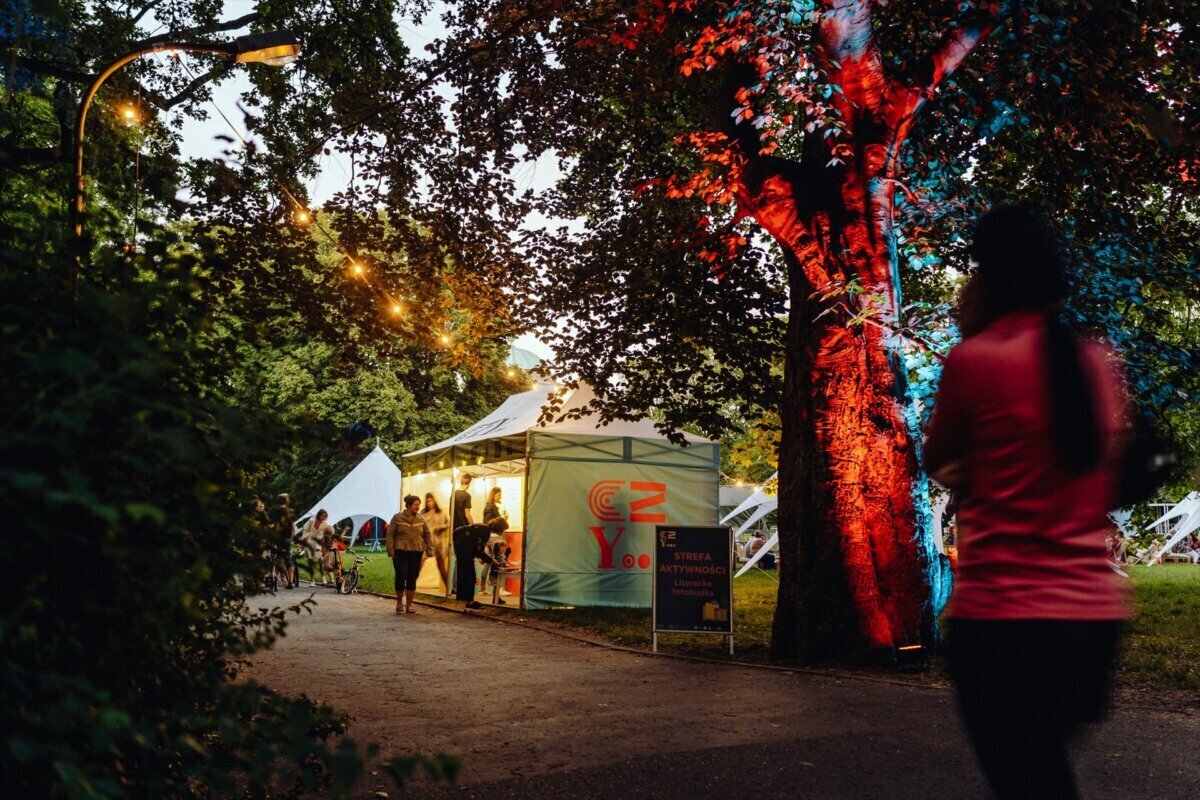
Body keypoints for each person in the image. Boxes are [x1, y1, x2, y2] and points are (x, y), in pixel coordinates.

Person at [924, 205, 1130, 800]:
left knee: (1028, 781)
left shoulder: (975, 360)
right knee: (1040, 774)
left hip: (1004, 623)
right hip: (1091, 624)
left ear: (988, 278)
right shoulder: (1093, 362)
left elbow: (938, 459)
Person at [387, 494, 434, 614]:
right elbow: (390, 534)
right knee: (401, 575)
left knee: (412, 577)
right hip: (400, 551)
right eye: (415, 505)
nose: (418, 507)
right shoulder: (397, 518)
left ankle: (409, 604)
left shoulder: (421, 519)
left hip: (416, 551)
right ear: (408, 505)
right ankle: (399, 603)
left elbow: (427, 534)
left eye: (419, 505)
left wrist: (430, 548)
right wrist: (390, 550)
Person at [453, 517, 507, 610]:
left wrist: (483, 557)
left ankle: (468, 600)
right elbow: (479, 550)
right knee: (469, 574)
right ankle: (469, 601)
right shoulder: (485, 532)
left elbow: (478, 549)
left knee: (467, 571)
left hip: (459, 538)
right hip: (463, 542)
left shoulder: (484, 528)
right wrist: (490, 560)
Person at [424, 493, 452, 595]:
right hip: (427, 543)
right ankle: (410, 587)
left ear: (434, 501)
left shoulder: (441, 512)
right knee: (419, 565)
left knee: (442, 569)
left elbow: (449, 523)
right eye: (427, 501)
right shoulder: (423, 513)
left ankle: (448, 590)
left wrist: (442, 527)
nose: (429, 503)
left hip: (438, 543)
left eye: (431, 501)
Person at [299, 509, 334, 587]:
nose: (324, 517)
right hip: (310, 542)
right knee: (310, 562)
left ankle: (323, 577)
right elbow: (305, 530)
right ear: (319, 515)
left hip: (318, 544)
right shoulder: (312, 521)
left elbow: (328, 534)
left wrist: (326, 545)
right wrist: (304, 538)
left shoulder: (325, 524)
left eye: (325, 516)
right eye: (322, 515)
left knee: (320, 561)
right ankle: (312, 580)